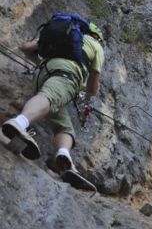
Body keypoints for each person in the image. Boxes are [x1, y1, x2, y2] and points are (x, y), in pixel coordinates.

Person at [1, 18, 105, 173]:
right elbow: (93, 85)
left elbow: (26, 48)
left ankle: (63, 154)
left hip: (42, 73)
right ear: (98, 37)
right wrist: (88, 98)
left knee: (64, 125)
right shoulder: (96, 46)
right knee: (49, 97)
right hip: (67, 76)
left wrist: (40, 64)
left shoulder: (66, 34)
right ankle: (19, 122)